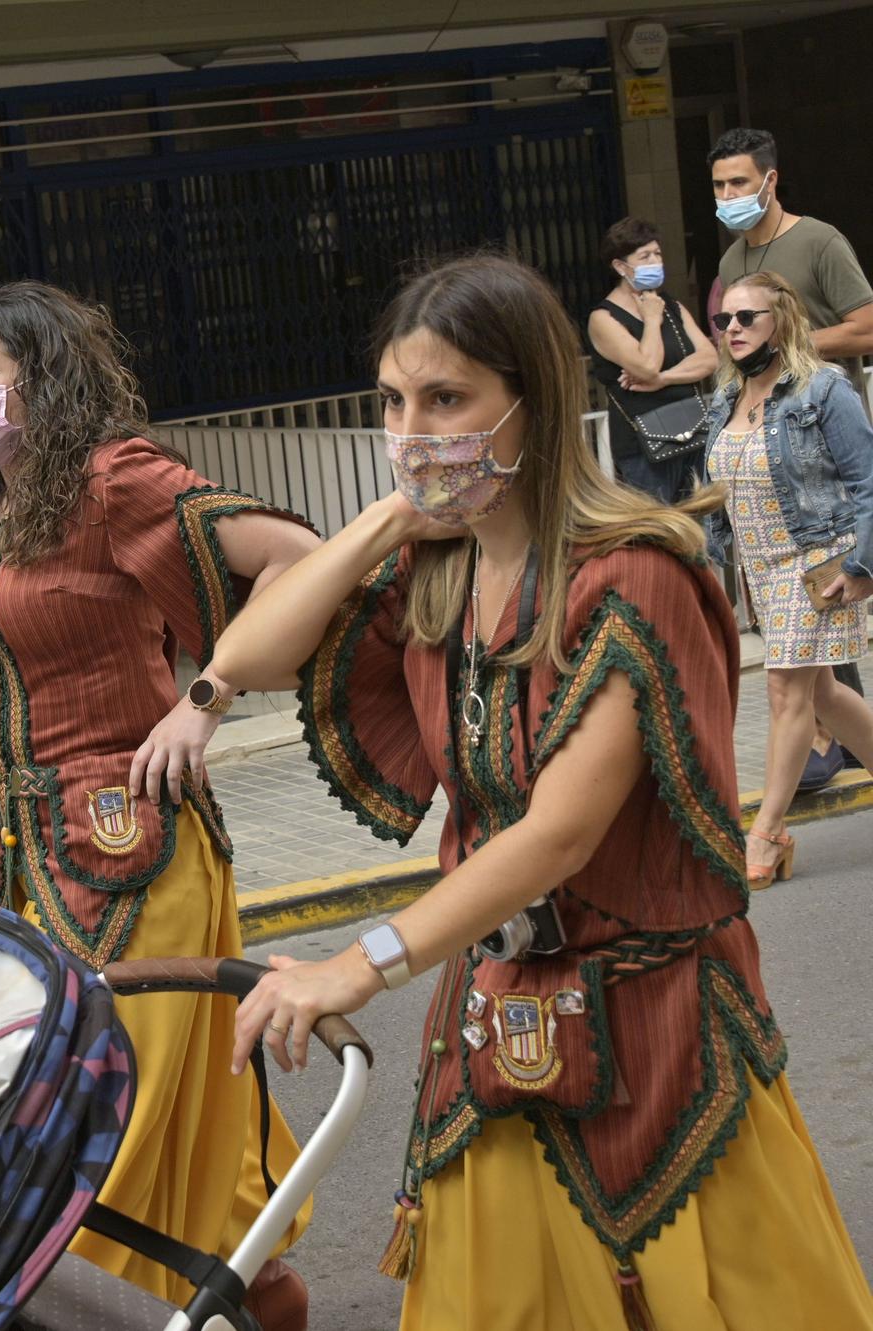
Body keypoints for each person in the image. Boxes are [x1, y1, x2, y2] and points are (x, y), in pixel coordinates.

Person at [211, 254, 873, 1329]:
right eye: (392, 400)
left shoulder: (638, 574)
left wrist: (358, 960)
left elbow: (560, 831)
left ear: (533, 401)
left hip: (662, 1038)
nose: (412, 428)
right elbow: (246, 655)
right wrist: (389, 520)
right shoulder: (434, 574)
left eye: (446, 398)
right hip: (494, 1029)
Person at [0, 280, 317, 1319]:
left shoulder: (114, 481)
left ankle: (137, 1305)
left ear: (44, 376)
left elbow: (298, 560)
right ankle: (254, 1287)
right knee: (132, 1102)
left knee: (102, 1115)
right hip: (26, 855)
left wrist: (204, 699)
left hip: (130, 848)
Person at [712, 125, 873, 783]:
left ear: (771, 181)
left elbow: (866, 324)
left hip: (820, 464)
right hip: (764, 486)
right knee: (820, 676)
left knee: (814, 666)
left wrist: (795, 345)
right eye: (719, 186)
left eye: (740, 183)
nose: (729, 196)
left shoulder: (820, 241)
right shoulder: (729, 265)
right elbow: (732, 348)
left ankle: (799, 779)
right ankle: (827, 747)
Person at [702, 272, 873, 884]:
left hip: (815, 562)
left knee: (785, 691)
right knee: (822, 693)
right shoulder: (727, 397)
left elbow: (868, 483)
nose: (734, 330)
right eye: (726, 320)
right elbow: (722, 492)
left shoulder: (824, 390)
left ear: (784, 321)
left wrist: (863, 565)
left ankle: (767, 833)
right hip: (759, 570)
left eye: (749, 318)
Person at [586, 217, 719, 503]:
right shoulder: (603, 318)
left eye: (657, 254)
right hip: (643, 448)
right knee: (659, 532)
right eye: (644, 256)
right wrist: (651, 319)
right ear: (621, 267)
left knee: (706, 530)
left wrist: (664, 379)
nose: (655, 261)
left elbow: (709, 358)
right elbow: (646, 366)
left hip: (692, 431)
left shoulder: (672, 305)